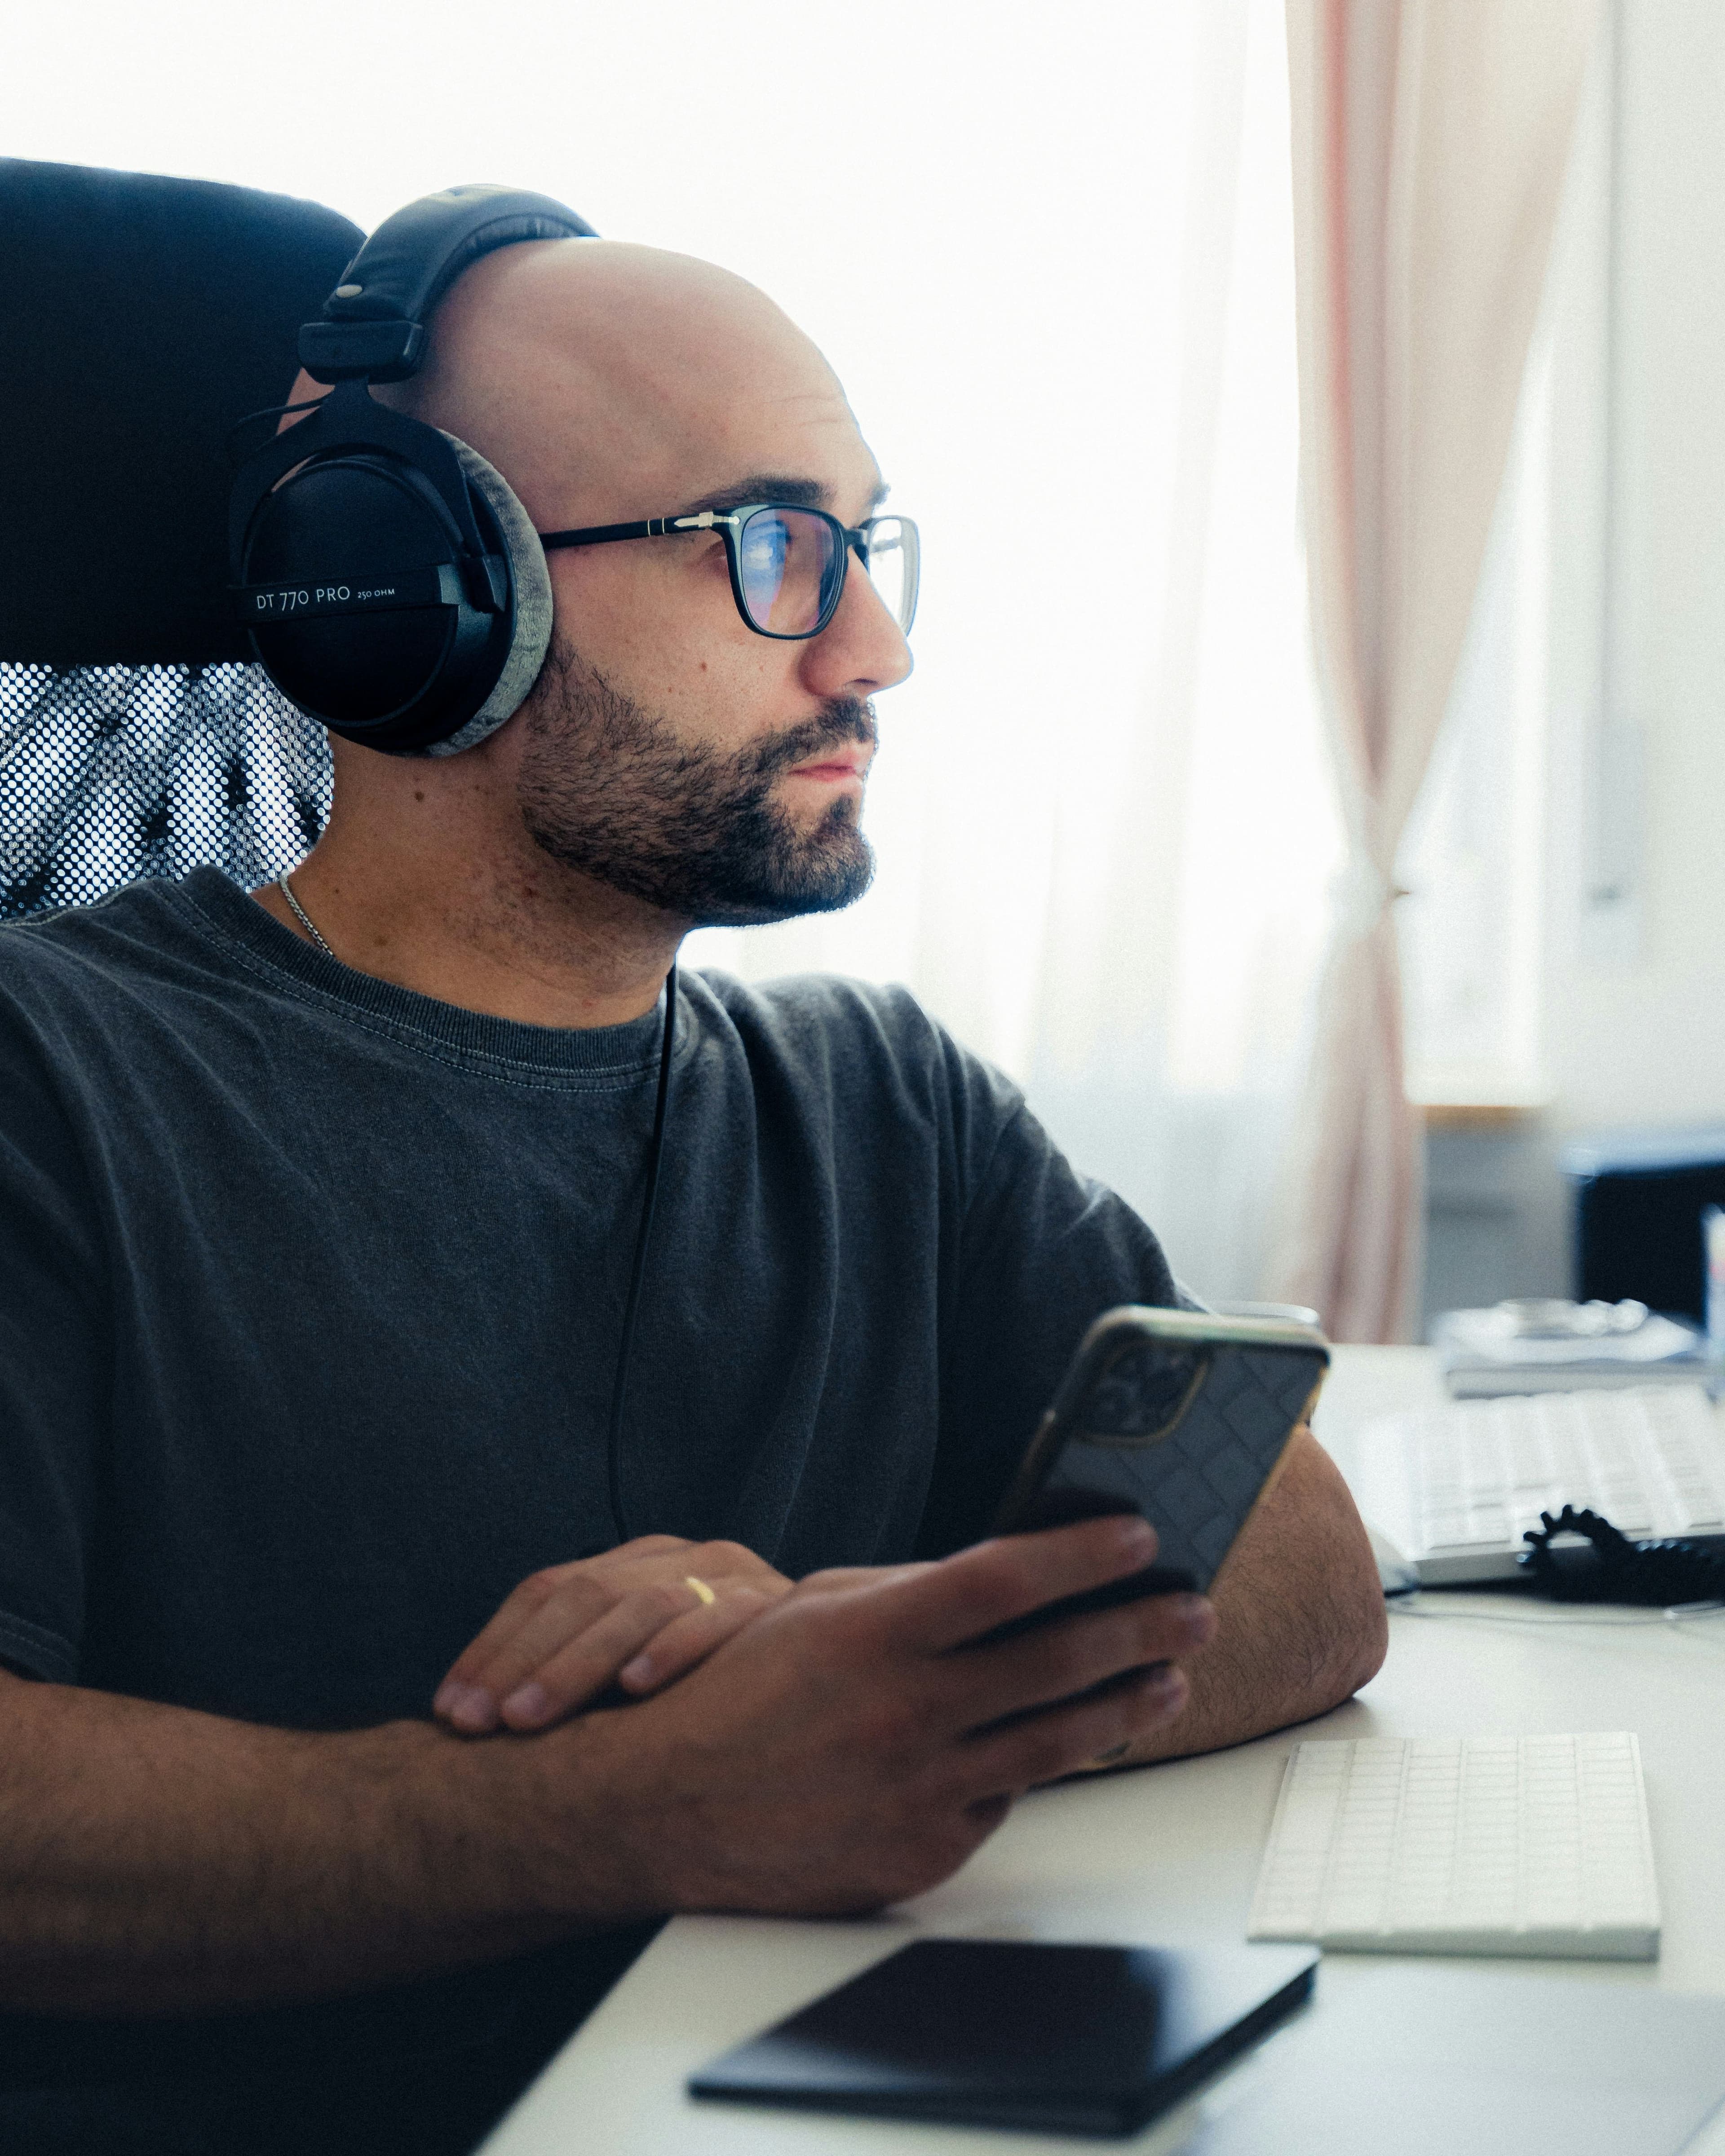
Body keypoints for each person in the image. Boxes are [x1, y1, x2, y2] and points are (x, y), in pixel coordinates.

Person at [0, 225, 1387, 2153]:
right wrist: (632, 1801)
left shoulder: (886, 1102)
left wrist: (839, 1662)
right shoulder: (48, 1086)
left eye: (863, 546)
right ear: (416, 589)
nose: (874, 650)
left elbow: (1299, 1560)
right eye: (766, 543)